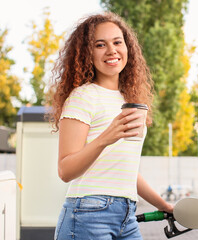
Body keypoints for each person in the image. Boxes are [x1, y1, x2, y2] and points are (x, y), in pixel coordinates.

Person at [49, 12, 173, 240]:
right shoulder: (82, 97)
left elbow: (125, 169)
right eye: (100, 45)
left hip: (126, 215)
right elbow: (65, 171)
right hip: (87, 214)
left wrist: (165, 206)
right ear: (88, 53)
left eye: (117, 42)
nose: (112, 50)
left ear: (128, 48)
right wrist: (107, 137)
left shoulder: (128, 99)